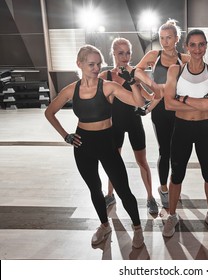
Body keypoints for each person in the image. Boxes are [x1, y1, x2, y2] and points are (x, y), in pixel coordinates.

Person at [44, 45, 158, 248]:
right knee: (94, 189)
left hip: (107, 143)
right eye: (91, 64)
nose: (96, 68)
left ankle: (137, 228)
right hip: (82, 145)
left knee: (123, 189)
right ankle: (105, 226)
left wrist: (132, 82)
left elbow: (139, 102)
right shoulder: (71, 90)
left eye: (98, 64)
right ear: (79, 64)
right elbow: (49, 112)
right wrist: (66, 136)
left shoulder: (107, 87)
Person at [162, 29, 208, 238]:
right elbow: (168, 104)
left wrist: (183, 99)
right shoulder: (175, 71)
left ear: (206, 46)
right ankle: (172, 215)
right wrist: (202, 102)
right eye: (193, 45)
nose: (197, 49)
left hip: (205, 130)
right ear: (186, 47)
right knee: (177, 175)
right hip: (181, 130)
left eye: (201, 44)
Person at [99, 38, 158, 215]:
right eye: (120, 53)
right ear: (113, 54)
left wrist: (148, 107)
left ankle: (150, 197)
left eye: (128, 53)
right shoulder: (106, 76)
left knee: (142, 162)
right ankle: (110, 194)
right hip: (114, 125)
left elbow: (152, 95)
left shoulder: (136, 74)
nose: (125, 57)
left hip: (134, 123)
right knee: (114, 162)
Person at [136, 19, 190, 209]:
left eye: (169, 38)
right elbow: (137, 71)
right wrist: (153, 87)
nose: (165, 42)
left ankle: (175, 186)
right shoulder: (154, 55)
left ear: (176, 38)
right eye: (161, 38)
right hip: (159, 111)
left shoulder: (185, 59)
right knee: (164, 151)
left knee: (178, 152)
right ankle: (164, 189)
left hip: (178, 110)